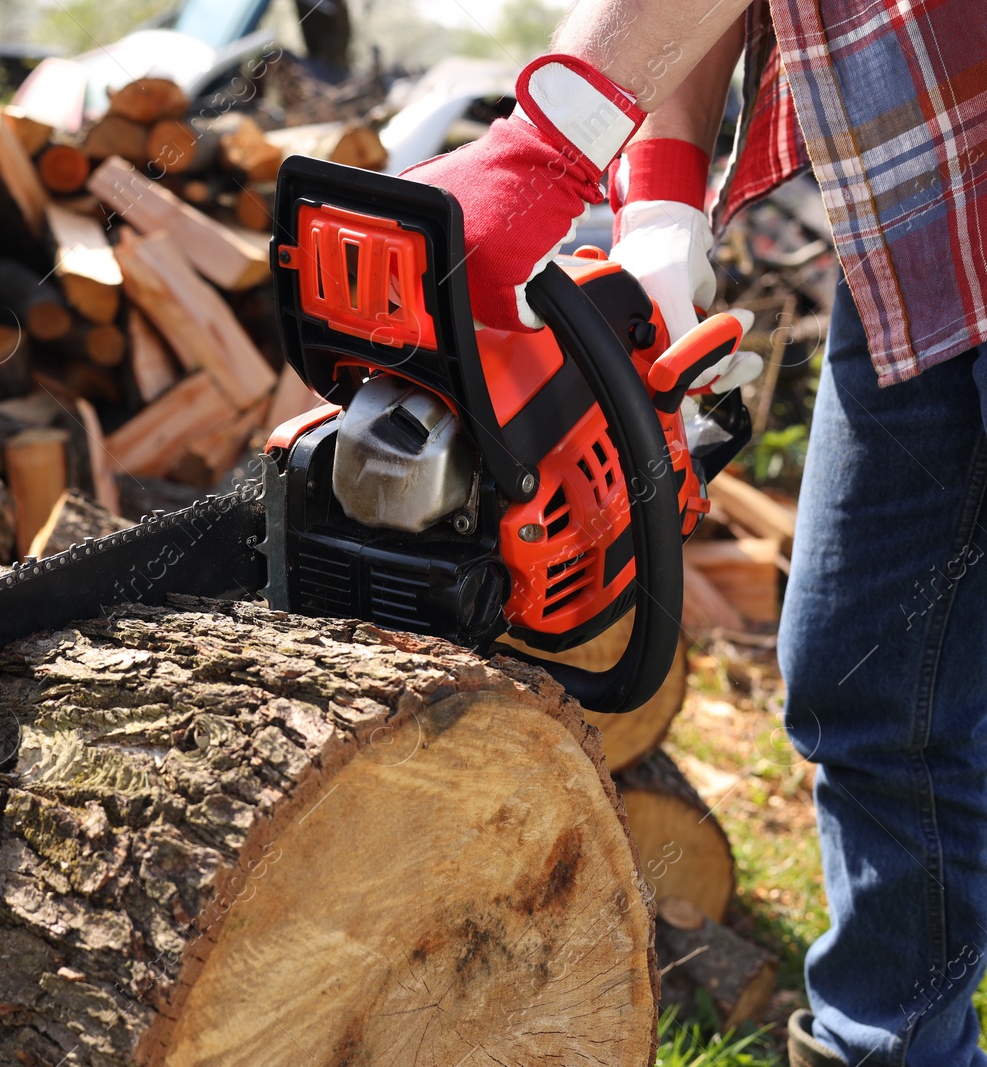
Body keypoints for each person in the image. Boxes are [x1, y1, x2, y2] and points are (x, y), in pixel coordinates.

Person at [399, 2, 987, 1065]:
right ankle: (888, 1046)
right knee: (868, 679)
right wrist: (658, 204)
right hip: (923, 214)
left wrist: (549, 140)